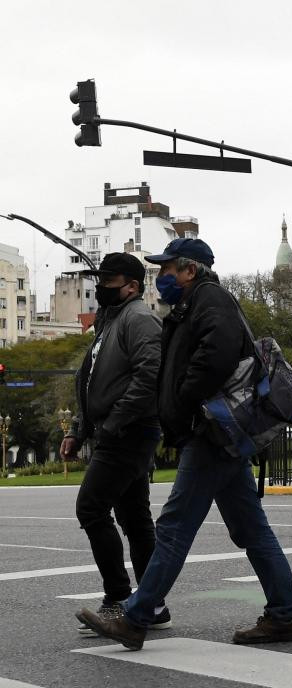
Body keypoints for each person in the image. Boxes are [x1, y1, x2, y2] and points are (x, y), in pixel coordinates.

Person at [76, 238, 292, 650]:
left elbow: (213, 360)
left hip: (210, 431)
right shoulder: (194, 304)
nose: (161, 277)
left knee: (174, 526)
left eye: (166, 269)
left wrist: (180, 404)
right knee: (251, 529)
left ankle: (136, 616)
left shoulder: (210, 300)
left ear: (189, 270)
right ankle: (284, 614)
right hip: (212, 431)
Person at [62, 253, 171, 636]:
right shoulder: (111, 322)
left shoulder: (139, 318)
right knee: (134, 517)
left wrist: (112, 424)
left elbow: (148, 377)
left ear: (132, 286)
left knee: (91, 508)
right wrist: (79, 428)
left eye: (108, 281)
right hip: (117, 430)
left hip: (128, 432)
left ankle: (118, 598)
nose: (100, 288)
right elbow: (91, 380)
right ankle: (151, 603)